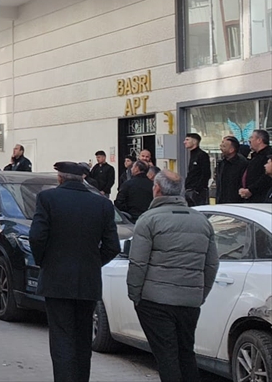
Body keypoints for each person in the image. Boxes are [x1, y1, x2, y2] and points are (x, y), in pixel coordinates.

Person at [30, 161, 120, 382]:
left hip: (57, 279)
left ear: (59, 178)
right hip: (87, 281)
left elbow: (37, 237)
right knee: (82, 338)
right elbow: (112, 246)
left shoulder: (48, 199)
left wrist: (45, 262)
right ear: (82, 179)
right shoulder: (102, 204)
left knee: (61, 338)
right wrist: (92, 263)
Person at [127, 171, 218, 382]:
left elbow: (138, 263)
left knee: (166, 355)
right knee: (186, 353)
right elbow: (212, 263)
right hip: (189, 301)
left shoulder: (148, 220)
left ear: (157, 189)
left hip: (155, 300)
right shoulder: (202, 221)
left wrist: (135, 294)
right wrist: (199, 294)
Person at [239, 129, 271, 203]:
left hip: (261, 197)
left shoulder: (267, 155)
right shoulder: (255, 156)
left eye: (252, 137)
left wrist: (251, 190)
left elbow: (266, 178)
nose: (249, 140)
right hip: (249, 197)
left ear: (259, 140)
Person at [215, 137, 247, 204]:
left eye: (224, 146)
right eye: (221, 145)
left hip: (235, 202)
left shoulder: (241, 163)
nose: (221, 148)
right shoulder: (222, 163)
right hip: (221, 200)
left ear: (231, 150)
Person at [182, 133, 211, 207]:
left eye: (187, 140)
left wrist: (197, 189)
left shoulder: (202, 155)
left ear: (195, 142)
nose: (184, 142)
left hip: (198, 192)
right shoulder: (192, 155)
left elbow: (206, 173)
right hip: (189, 190)